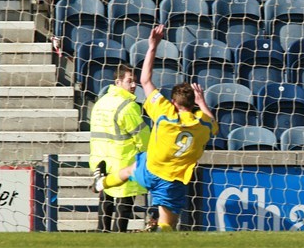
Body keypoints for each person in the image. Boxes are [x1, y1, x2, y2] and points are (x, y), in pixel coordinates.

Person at [93, 24, 218, 231]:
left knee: (129, 170)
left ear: (174, 102)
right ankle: (160, 233)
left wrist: (153, 46)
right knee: (169, 222)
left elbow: (145, 80)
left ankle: (101, 184)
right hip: (174, 179)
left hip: (150, 170)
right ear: (192, 103)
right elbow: (214, 124)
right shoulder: (202, 124)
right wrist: (202, 101)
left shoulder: (165, 114)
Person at [89, 64, 151, 232]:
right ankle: (119, 235)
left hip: (102, 160)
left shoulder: (100, 103)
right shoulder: (128, 106)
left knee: (106, 199)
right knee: (124, 204)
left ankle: (102, 231)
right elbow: (143, 137)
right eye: (129, 81)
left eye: (134, 81)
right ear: (118, 82)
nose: (133, 85)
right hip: (123, 160)